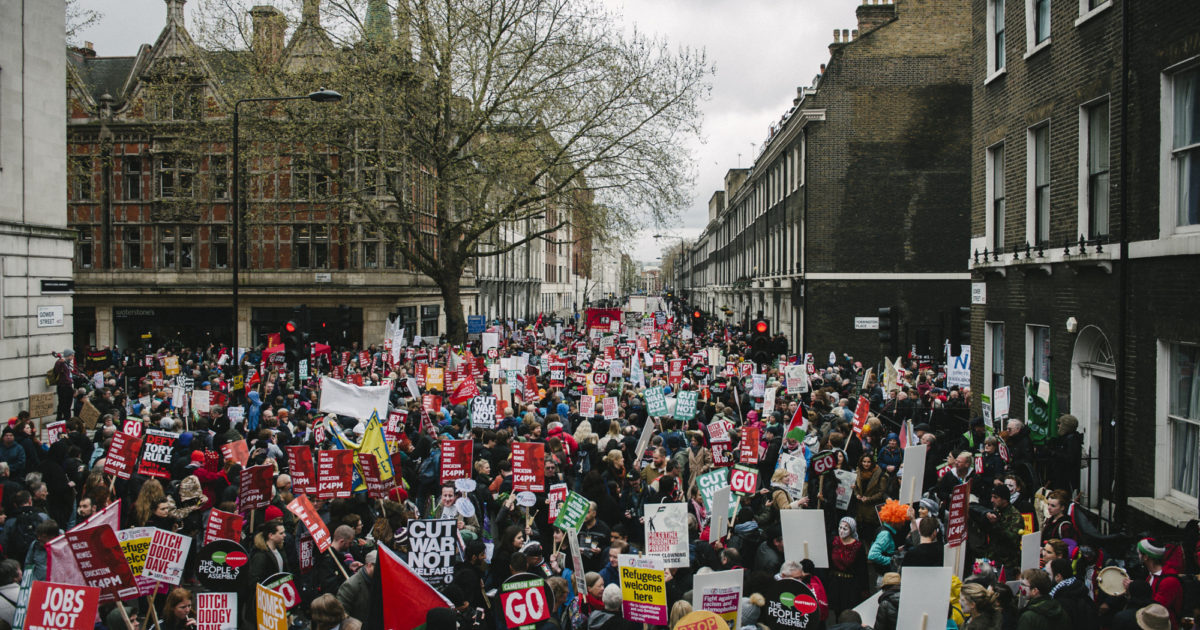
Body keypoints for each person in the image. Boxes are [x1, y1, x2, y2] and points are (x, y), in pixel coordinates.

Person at [827, 517, 867, 617]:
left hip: (850, 585)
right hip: (835, 583)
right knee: (837, 612)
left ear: (851, 530)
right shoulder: (833, 542)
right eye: (840, 528)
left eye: (845, 529)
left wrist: (864, 589)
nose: (841, 531)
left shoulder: (858, 546)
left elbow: (862, 569)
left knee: (849, 613)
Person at [337, 550, 379, 625]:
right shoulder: (350, 585)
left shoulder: (378, 580)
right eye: (378, 567)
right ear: (369, 565)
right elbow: (341, 614)